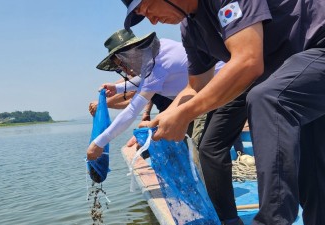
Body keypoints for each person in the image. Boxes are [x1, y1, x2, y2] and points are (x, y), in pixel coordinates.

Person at [120, 1, 325, 225]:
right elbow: (195, 86)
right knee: (313, 181)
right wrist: (162, 121)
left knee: (268, 98)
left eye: (148, 8)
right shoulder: (190, 29)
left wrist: (185, 114)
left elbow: (248, 61)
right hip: (298, 80)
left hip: (316, 49)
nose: (152, 20)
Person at [86, 29, 190, 161]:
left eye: (122, 63)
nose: (124, 69)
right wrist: (117, 88)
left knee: (209, 148)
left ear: (132, 51)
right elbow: (144, 80)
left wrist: (99, 143)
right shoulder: (156, 52)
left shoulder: (157, 66)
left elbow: (132, 110)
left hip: (217, 92)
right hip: (195, 99)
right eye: (120, 68)